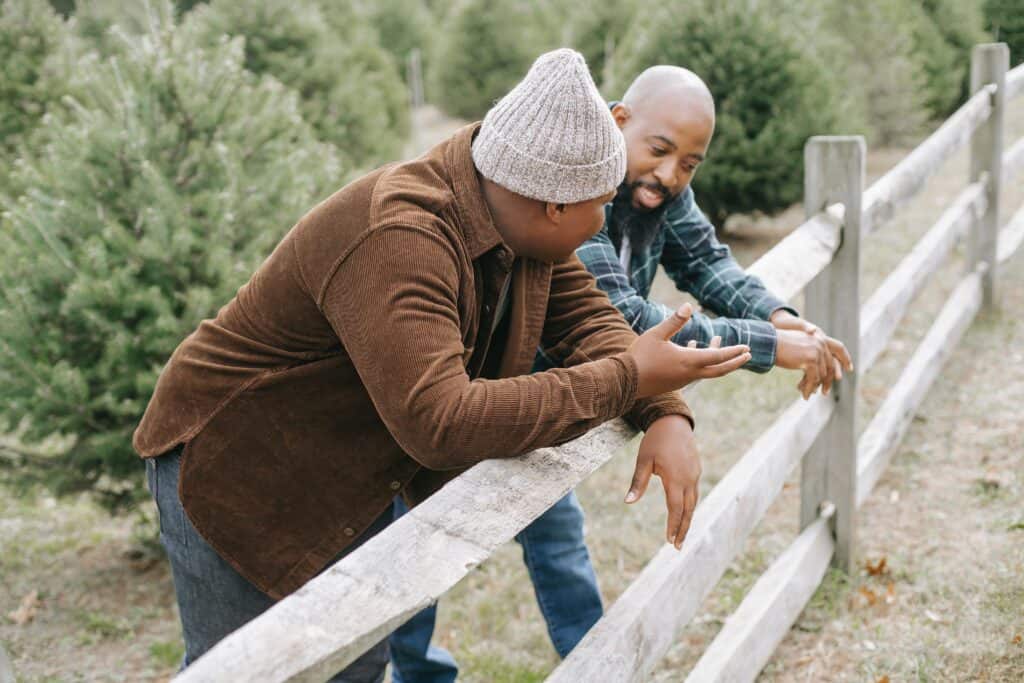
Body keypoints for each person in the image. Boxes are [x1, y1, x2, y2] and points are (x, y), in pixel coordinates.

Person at [133, 49, 751, 682]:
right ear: (556, 207)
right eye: (601, 204)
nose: (605, 218)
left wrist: (663, 410)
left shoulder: (517, 208)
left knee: (353, 662)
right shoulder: (401, 234)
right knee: (243, 671)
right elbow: (440, 421)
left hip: (349, 466)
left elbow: (591, 324)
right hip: (237, 463)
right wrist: (627, 379)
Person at [389, 65, 854, 683]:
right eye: (659, 151)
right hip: (488, 387)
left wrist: (779, 315)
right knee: (415, 543)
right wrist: (768, 345)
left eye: (689, 164)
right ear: (618, 122)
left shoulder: (664, 194)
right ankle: (416, 671)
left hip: (561, 407)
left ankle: (594, 667)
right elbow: (623, 315)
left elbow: (709, 264)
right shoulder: (574, 190)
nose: (669, 175)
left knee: (559, 539)